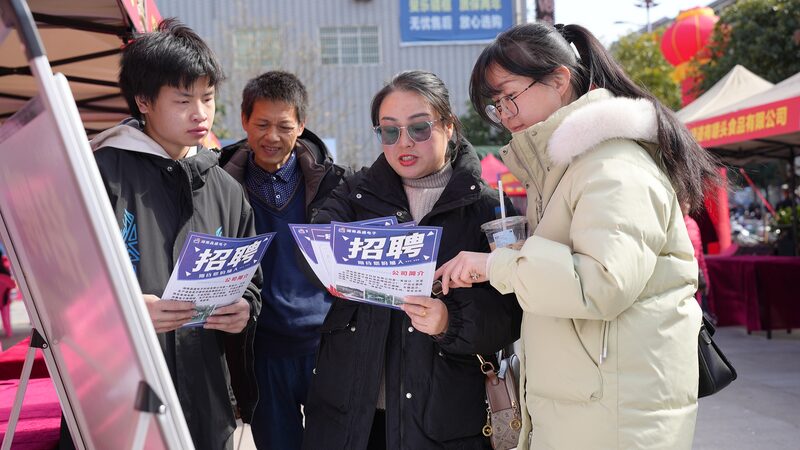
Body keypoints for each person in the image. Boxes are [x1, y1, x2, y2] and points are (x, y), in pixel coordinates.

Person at [436, 23, 721, 449]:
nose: (505, 114)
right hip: (590, 399)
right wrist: (518, 257)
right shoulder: (566, 168)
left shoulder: (611, 164)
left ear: (559, 80)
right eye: (496, 105)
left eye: (509, 95)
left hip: (614, 408)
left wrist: (499, 264)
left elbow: (602, 283)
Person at [301, 70, 522, 450]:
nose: (404, 142)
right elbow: (314, 254)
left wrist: (448, 321)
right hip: (350, 419)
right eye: (390, 131)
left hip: (443, 420)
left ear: (449, 126)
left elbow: (510, 315)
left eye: (419, 128)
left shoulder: (487, 209)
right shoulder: (355, 193)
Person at [86, 19, 261, 450]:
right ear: (144, 101)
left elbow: (251, 281)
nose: (201, 113)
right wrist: (127, 310)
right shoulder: (98, 175)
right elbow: (58, 289)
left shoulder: (227, 188)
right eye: (184, 100)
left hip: (207, 401)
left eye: (208, 97)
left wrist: (244, 309)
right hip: (121, 396)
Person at [220, 71, 350, 450]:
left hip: (324, 346)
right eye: (261, 124)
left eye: (283, 126)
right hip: (260, 352)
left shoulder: (336, 185)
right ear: (244, 121)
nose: (271, 137)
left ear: (302, 125)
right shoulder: (220, 185)